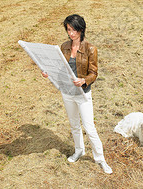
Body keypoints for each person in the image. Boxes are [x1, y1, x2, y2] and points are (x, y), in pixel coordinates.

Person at [41, 14, 112, 174]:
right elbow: (59, 69)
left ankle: (100, 159)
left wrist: (84, 81)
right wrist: (48, 73)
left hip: (83, 94)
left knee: (89, 127)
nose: (71, 33)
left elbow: (94, 73)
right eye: (68, 29)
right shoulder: (64, 46)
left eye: (74, 30)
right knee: (74, 125)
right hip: (67, 93)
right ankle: (79, 150)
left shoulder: (90, 49)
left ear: (81, 29)